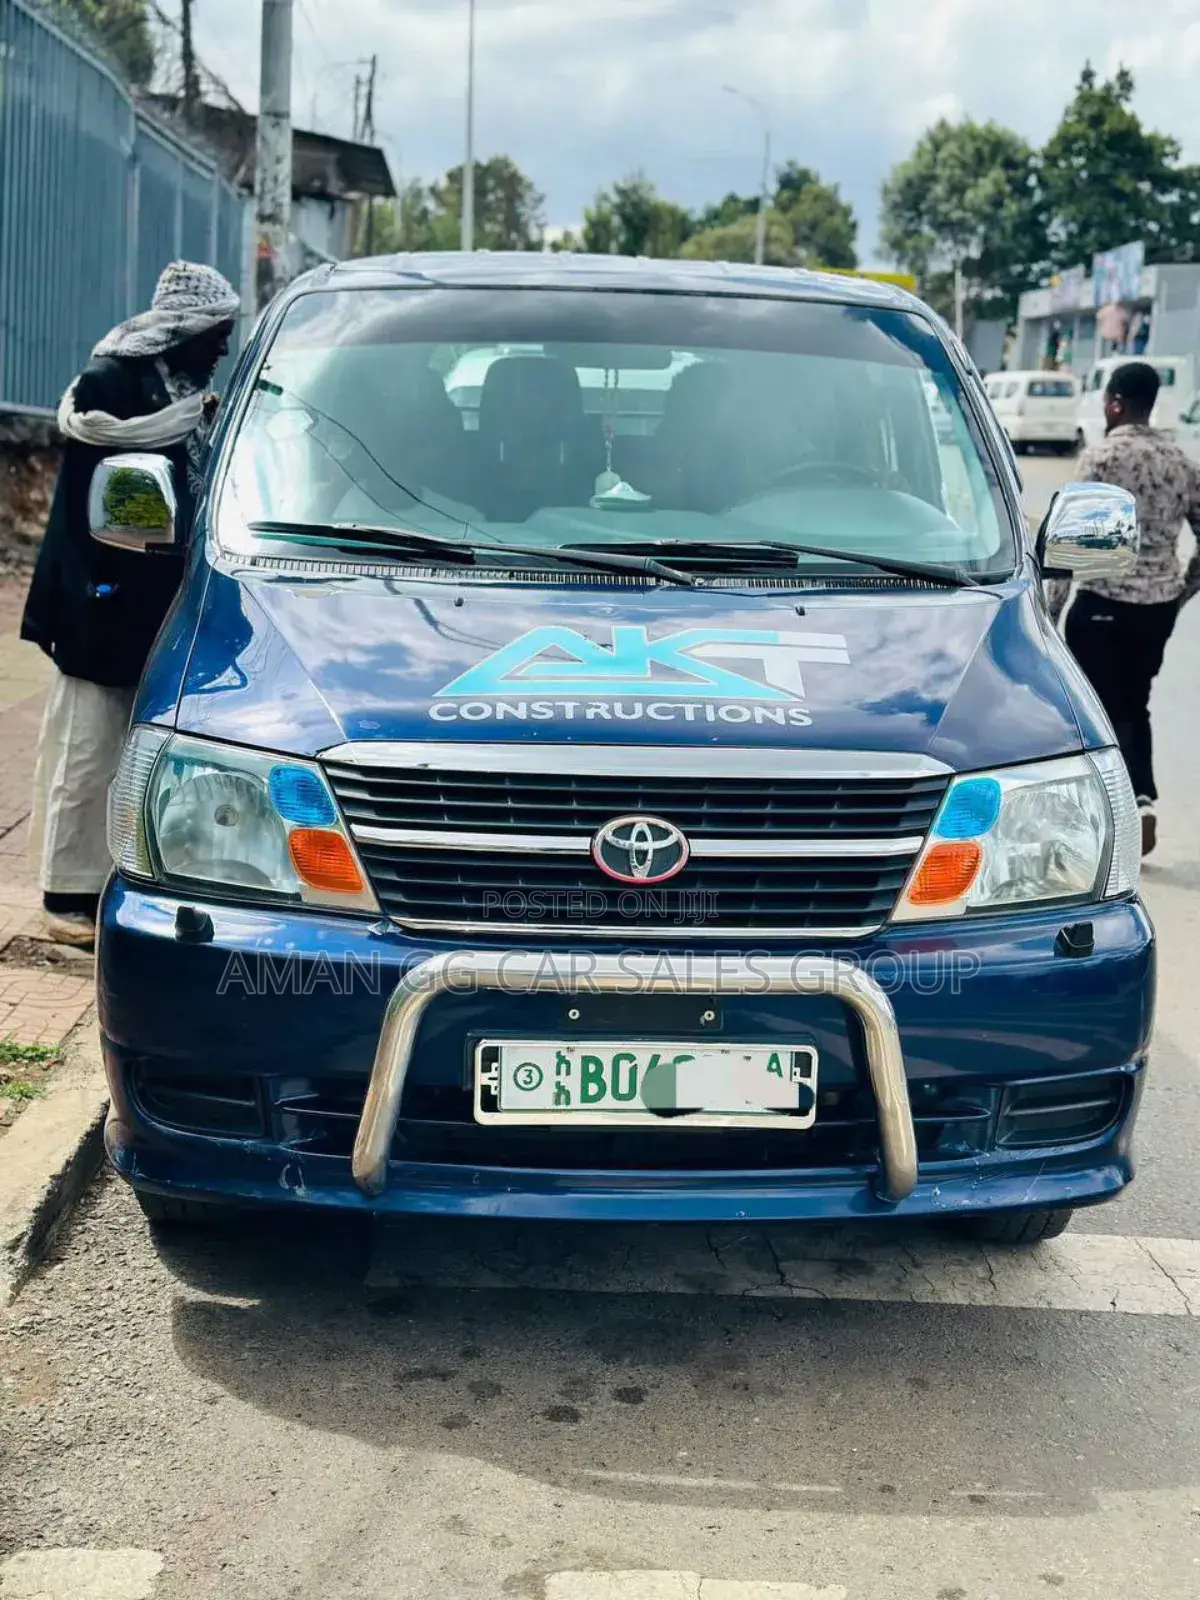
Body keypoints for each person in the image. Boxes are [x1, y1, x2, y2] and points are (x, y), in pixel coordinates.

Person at [21, 262, 240, 946]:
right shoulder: (110, 385)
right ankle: (66, 896)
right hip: (100, 594)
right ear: (188, 327)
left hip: (153, 597)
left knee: (134, 747)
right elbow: (115, 497)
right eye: (219, 334)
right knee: (88, 746)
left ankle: (116, 877)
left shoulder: (186, 390)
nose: (224, 349)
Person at [1066, 361, 1200, 855]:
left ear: (1115, 402)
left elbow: (1068, 546)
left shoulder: (1099, 459)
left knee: (1093, 711)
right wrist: (1179, 593)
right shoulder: (1181, 462)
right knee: (1133, 703)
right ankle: (1141, 801)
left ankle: (1106, 817)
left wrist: (1048, 614)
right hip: (1156, 608)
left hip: (1102, 601)